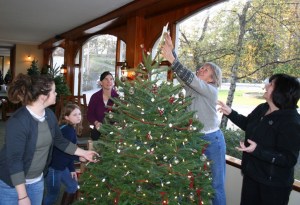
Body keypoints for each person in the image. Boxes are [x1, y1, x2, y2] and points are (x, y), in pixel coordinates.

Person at [0, 73, 98, 205]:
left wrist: (84, 153)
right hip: (12, 184)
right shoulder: (18, 121)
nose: (56, 94)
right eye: (54, 91)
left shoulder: (49, 115)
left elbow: (60, 141)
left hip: (36, 181)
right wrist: (22, 196)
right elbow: (14, 161)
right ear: (43, 96)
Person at [161, 33, 226, 205]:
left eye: (205, 70)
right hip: (193, 138)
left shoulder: (210, 90)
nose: (200, 70)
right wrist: (172, 50)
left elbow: (189, 77)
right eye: (201, 68)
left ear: (212, 79)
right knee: (187, 178)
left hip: (212, 140)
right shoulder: (193, 87)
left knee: (216, 184)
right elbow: (184, 75)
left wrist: (172, 59)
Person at [218, 73, 300, 205]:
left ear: (281, 91)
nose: (266, 86)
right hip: (252, 176)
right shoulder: (262, 108)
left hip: (273, 186)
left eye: (271, 84)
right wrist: (231, 113)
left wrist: (257, 150)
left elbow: (288, 159)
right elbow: (248, 124)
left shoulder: (291, 121)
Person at [43, 103, 83, 205]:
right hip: (53, 168)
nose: (78, 116)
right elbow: (67, 151)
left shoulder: (70, 128)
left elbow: (70, 150)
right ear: (66, 117)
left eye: (79, 114)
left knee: (72, 186)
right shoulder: (67, 131)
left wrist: (71, 168)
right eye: (75, 115)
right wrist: (79, 157)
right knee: (52, 195)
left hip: (63, 166)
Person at [87, 71, 119, 140]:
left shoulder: (118, 97)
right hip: (98, 129)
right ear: (101, 82)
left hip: (114, 130)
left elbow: (122, 115)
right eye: (106, 79)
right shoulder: (95, 97)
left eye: (111, 79)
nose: (109, 81)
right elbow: (90, 114)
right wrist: (96, 123)